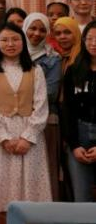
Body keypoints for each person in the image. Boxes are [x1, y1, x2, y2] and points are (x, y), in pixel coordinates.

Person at [0, 23, 52, 212]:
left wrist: (28, 137)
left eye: (15, 39)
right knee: (1, 185)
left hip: (29, 132)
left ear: (23, 41)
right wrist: (4, 137)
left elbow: (41, 105)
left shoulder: (36, 69)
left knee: (31, 187)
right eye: (4, 40)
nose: (10, 44)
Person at [24, 12, 62, 199]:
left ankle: (46, 209)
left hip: (45, 120)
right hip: (16, 120)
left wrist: (19, 99)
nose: (37, 33)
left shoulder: (53, 58)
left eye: (42, 30)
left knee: (45, 168)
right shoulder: (12, 53)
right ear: (25, 28)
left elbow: (51, 93)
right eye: (32, 28)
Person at [63, 21, 96, 202]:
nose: (93, 43)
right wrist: (74, 145)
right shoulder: (74, 70)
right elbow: (68, 109)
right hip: (80, 134)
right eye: (89, 38)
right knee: (82, 198)